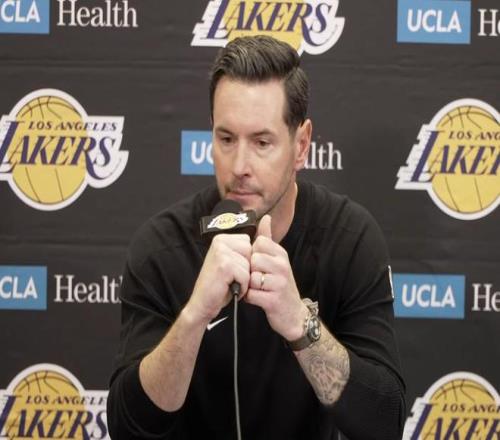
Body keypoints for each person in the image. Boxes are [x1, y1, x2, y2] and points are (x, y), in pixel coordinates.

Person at [107, 35, 406, 439]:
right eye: (226, 139)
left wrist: (299, 323)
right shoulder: (162, 247)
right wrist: (194, 316)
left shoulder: (349, 238)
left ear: (301, 145)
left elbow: (384, 422)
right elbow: (127, 427)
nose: (239, 166)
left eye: (262, 142)